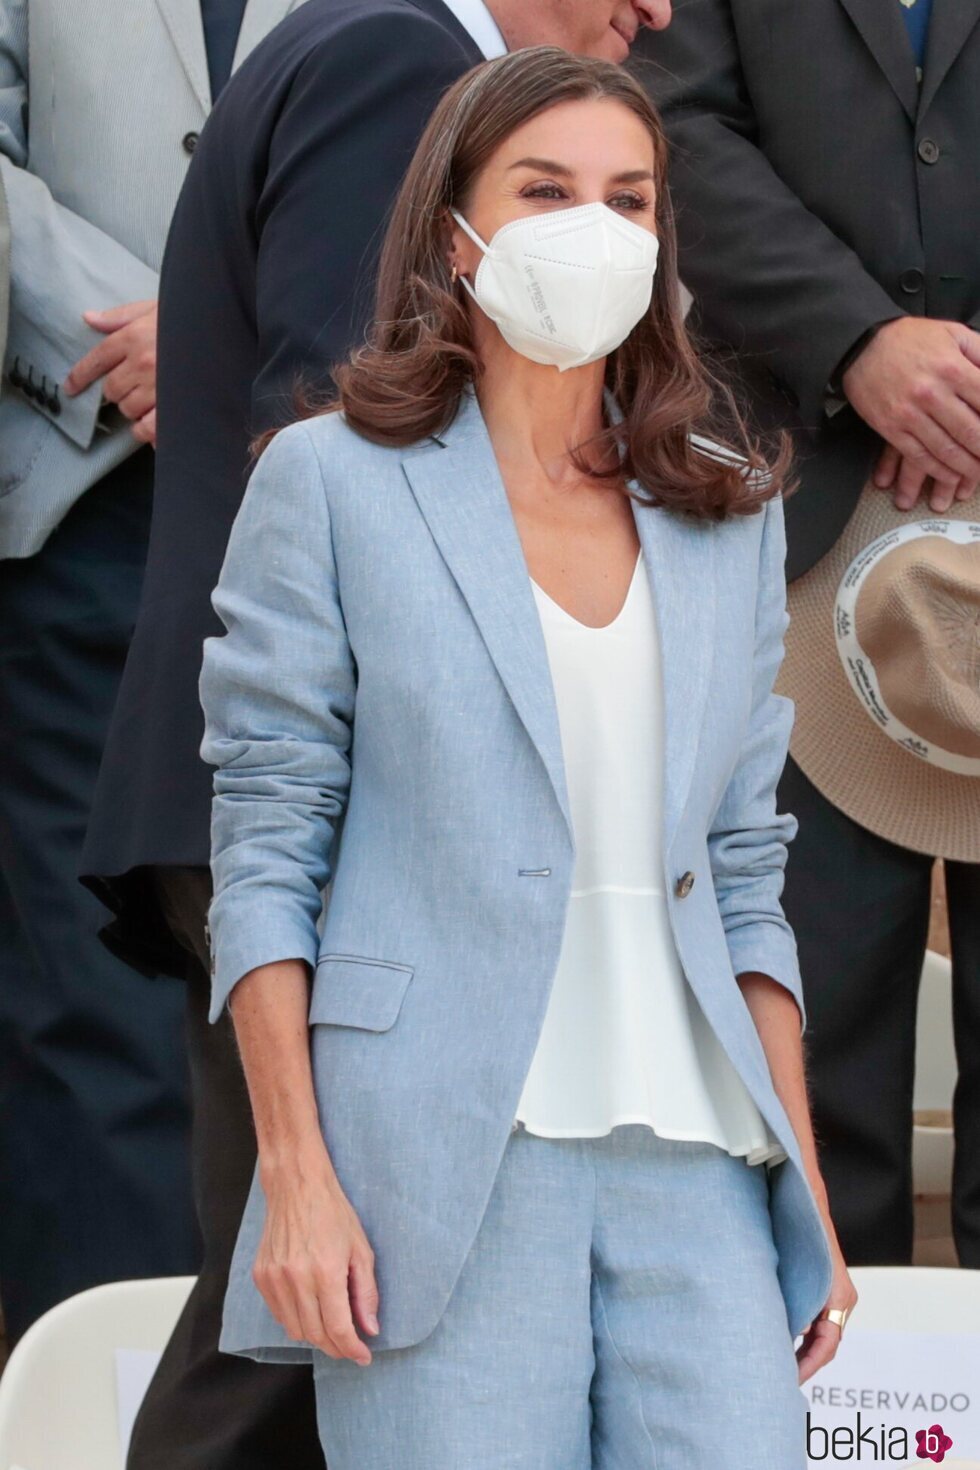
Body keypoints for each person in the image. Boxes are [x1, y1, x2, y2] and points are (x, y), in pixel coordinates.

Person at [198, 48, 856, 1470]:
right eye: (545, 189)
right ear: (456, 226)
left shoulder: (727, 517)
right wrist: (297, 1174)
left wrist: (804, 1173)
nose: (593, 227)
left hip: (702, 1164)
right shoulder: (326, 483)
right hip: (435, 1166)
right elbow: (265, 850)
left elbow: (747, 870)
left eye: (630, 198)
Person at [78, 4, 668, 1467]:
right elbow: (348, 433)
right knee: (302, 1322)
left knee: (310, 1314)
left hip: (312, 798)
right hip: (327, 800)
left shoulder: (361, 44)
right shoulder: (400, 67)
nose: (659, 8)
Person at [642, 0, 980, 1270]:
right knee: (808, 1018)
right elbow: (674, 120)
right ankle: (836, 1400)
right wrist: (857, 342)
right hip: (791, 514)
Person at [0, 0, 307, 1344]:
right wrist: (154, 336)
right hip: (87, 510)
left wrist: (238, 350)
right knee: (89, 1009)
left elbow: (468, 133)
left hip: (329, 490)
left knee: (318, 991)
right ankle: (98, 1395)